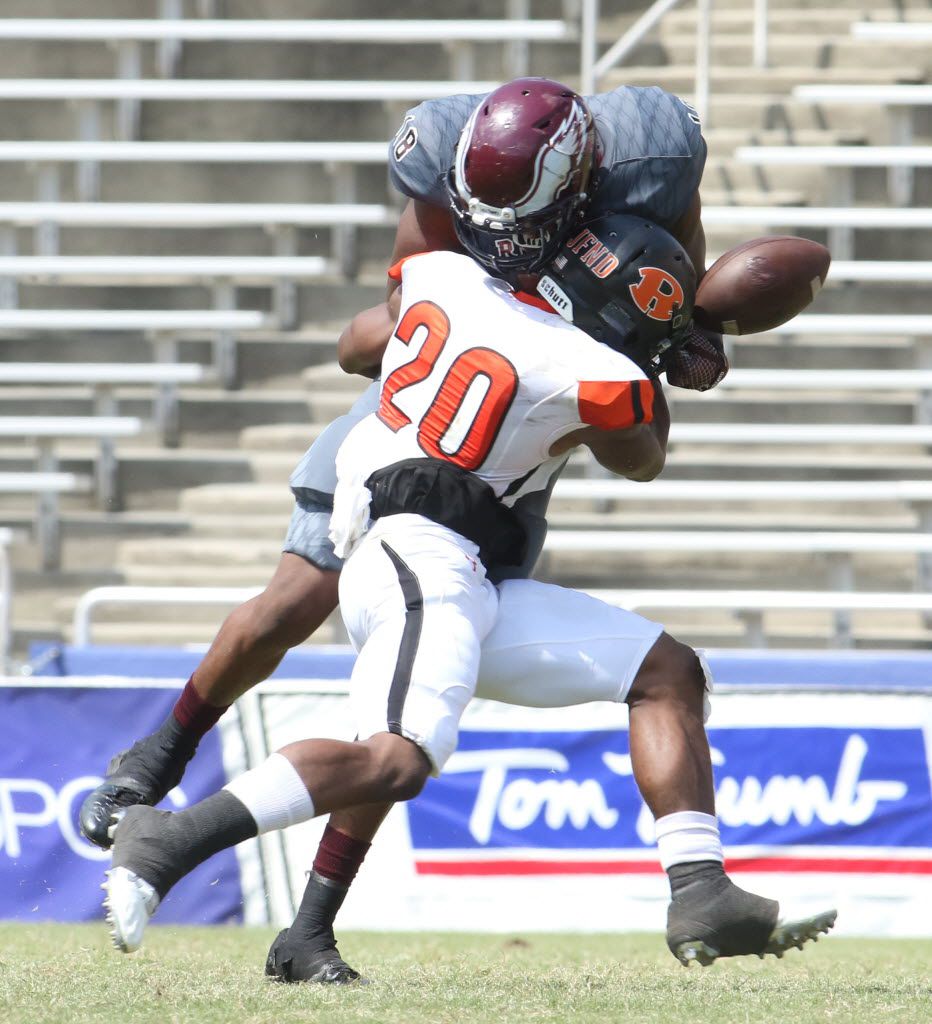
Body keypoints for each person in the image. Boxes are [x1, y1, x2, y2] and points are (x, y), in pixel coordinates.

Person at [83, 77, 728, 980]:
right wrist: (631, 354)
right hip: (418, 435)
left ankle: (308, 930)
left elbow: (663, 291)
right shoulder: (447, 175)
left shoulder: (642, 168)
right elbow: (378, 342)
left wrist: (670, 319)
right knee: (316, 629)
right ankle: (159, 769)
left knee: (422, 708)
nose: (502, 236)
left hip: (500, 455)